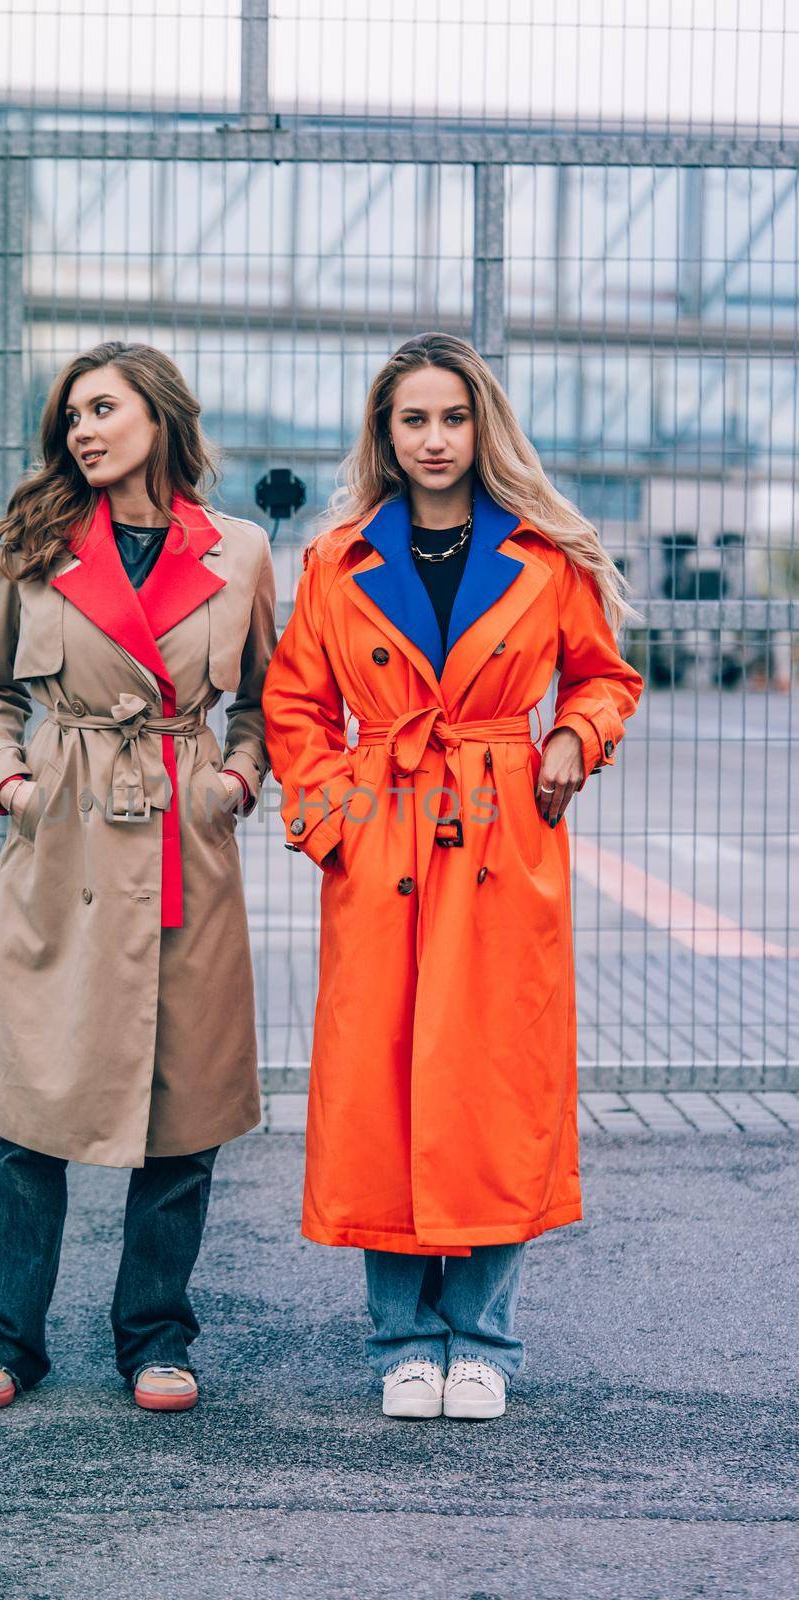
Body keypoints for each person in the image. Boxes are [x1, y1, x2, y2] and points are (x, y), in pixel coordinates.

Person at [261, 332, 644, 1422]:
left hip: (498, 834)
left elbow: (605, 675)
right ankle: (402, 1338)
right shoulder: (337, 558)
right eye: (413, 419)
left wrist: (574, 734)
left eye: (453, 417)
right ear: (384, 433)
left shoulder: (546, 554)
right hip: (381, 833)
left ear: (485, 427)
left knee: (493, 1081)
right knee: (378, 1079)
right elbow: (295, 704)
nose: (435, 439)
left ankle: (482, 1337)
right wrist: (333, 815)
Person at [0, 341, 277, 1413]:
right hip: (67, 840)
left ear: (160, 415)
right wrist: (11, 785)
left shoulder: (240, 550)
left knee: (183, 1105)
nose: (82, 430)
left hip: (185, 835)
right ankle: (3, 1338)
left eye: (102, 408)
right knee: (33, 1100)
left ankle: (156, 1338)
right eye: (71, 417)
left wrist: (232, 778)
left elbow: (264, 701)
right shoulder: (35, 545)